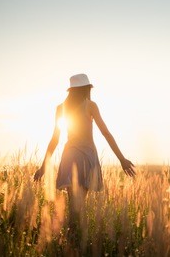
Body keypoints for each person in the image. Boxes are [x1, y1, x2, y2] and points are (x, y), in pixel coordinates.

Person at [34, 74, 135, 241]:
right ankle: (73, 240)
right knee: (78, 206)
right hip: (87, 157)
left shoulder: (61, 108)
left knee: (74, 204)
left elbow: (55, 139)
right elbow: (106, 133)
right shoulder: (90, 106)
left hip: (69, 157)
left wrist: (43, 167)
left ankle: (69, 239)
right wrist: (121, 159)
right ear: (87, 89)